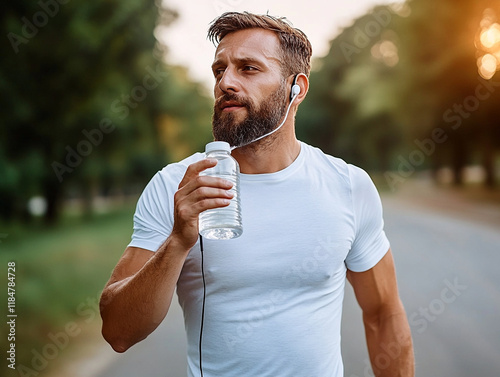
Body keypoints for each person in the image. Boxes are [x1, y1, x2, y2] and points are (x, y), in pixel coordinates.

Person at [100, 11, 414, 377]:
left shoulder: (348, 185)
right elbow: (118, 332)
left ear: (296, 88)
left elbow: (383, 314)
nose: (225, 83)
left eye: (248, 68)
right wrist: (178, 240)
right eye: (220, 70)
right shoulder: (176, 185)